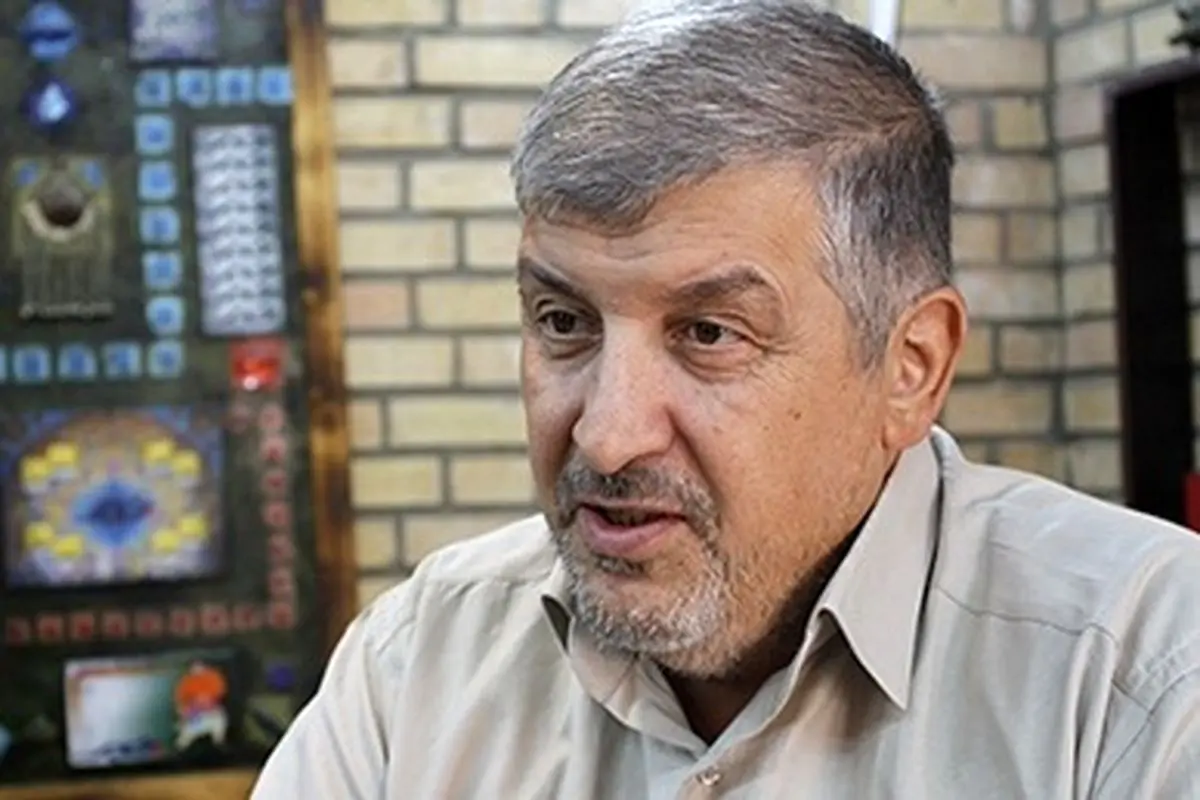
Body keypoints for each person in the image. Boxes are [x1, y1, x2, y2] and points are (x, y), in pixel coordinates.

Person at [253, 1, 1200, 796]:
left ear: (909, 367)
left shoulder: (1143, 673)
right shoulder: (418, 663)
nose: (609, 435)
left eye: (710, 334)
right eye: (563, 321)